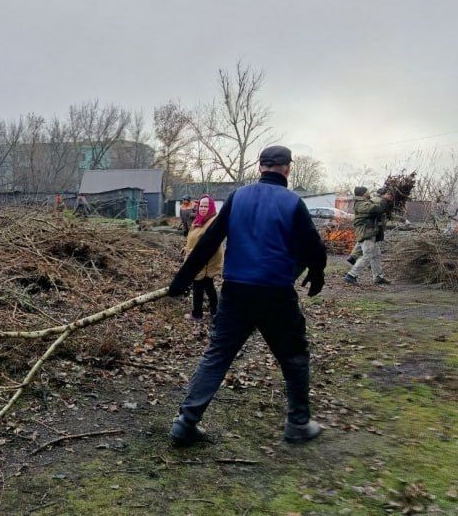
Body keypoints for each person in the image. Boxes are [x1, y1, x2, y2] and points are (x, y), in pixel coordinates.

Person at [167, 145, 327, 446]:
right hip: (276, 294)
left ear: (260, 166)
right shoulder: (293, 202)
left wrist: (181, 280)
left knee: (217, 355)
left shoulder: (238, 197)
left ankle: (185, 423)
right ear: (287, 169)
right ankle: (298, 424)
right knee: (293, 356)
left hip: (236, 291)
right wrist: (316, 274)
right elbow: (314, 247)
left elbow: (209, 241)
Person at [183, 194, 222, 330]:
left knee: (199, 285)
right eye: (202, 206)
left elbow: (210, 242)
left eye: (206, 206)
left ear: (211, 207)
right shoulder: (199, 220)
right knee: (208, 285)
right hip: (197, 257)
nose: (203, 208)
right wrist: (187, 247)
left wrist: (195, 251)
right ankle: (215, 312)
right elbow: (194, 237)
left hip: (205, 260)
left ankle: (198, 314)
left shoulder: (213, 221)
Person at [344, 186, 393, 284]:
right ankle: (351, 275)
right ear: (363, 194)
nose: (369, 192)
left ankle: (378, 277)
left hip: (370, 232)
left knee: (376, 255)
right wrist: (384, 199)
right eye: (367, 191)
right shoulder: (361, 204)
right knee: (368, 255)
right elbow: (377, 209)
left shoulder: (365, 202)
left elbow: (378, 208)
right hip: (366, 232)